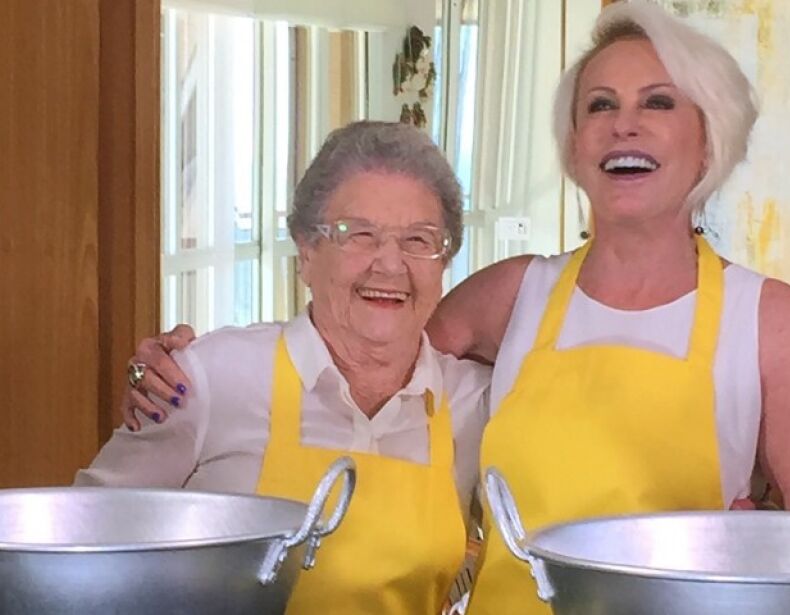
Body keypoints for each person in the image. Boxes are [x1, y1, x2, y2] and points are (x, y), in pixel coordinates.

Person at [121, 2, 790, 613]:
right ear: (575, 146)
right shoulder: (513, 294)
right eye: (600, 105)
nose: (623, 124)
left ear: (709, 141)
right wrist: (177, 376)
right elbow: (367, 365)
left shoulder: (770, 320)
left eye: (657, 103)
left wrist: (758, 554)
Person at [76, 121, 491, 615]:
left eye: (419, 240)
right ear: (306, 252)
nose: (389, 264)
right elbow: (85, 538)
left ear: (444, 262)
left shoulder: (475, 404)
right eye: (358, 234)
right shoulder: (211, 378)